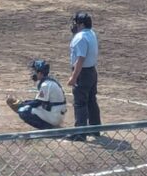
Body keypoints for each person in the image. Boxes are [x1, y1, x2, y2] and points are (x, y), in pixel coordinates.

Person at [66, 12, 100, 141]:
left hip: (83, 73)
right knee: (91, 101)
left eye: (76, 23)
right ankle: (96, 129)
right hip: (92, 71)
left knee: (80, 103)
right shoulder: (91, 33)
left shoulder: (80, 38)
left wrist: (74, 77)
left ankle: (80, 133)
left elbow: (80, 59)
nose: (74, 25)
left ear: (81, 24)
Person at [7, 59, 66, 129]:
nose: (33, 73)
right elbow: (39, 101)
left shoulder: (46, 85)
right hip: (56, 112)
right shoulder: (49, 81)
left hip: (54, 115)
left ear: (40, 73)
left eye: (34, 71)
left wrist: (22, 104)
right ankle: (52, 127)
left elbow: (38, 103)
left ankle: (49, 129)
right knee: (28, 107)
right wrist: (25, 102)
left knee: (23, 111)